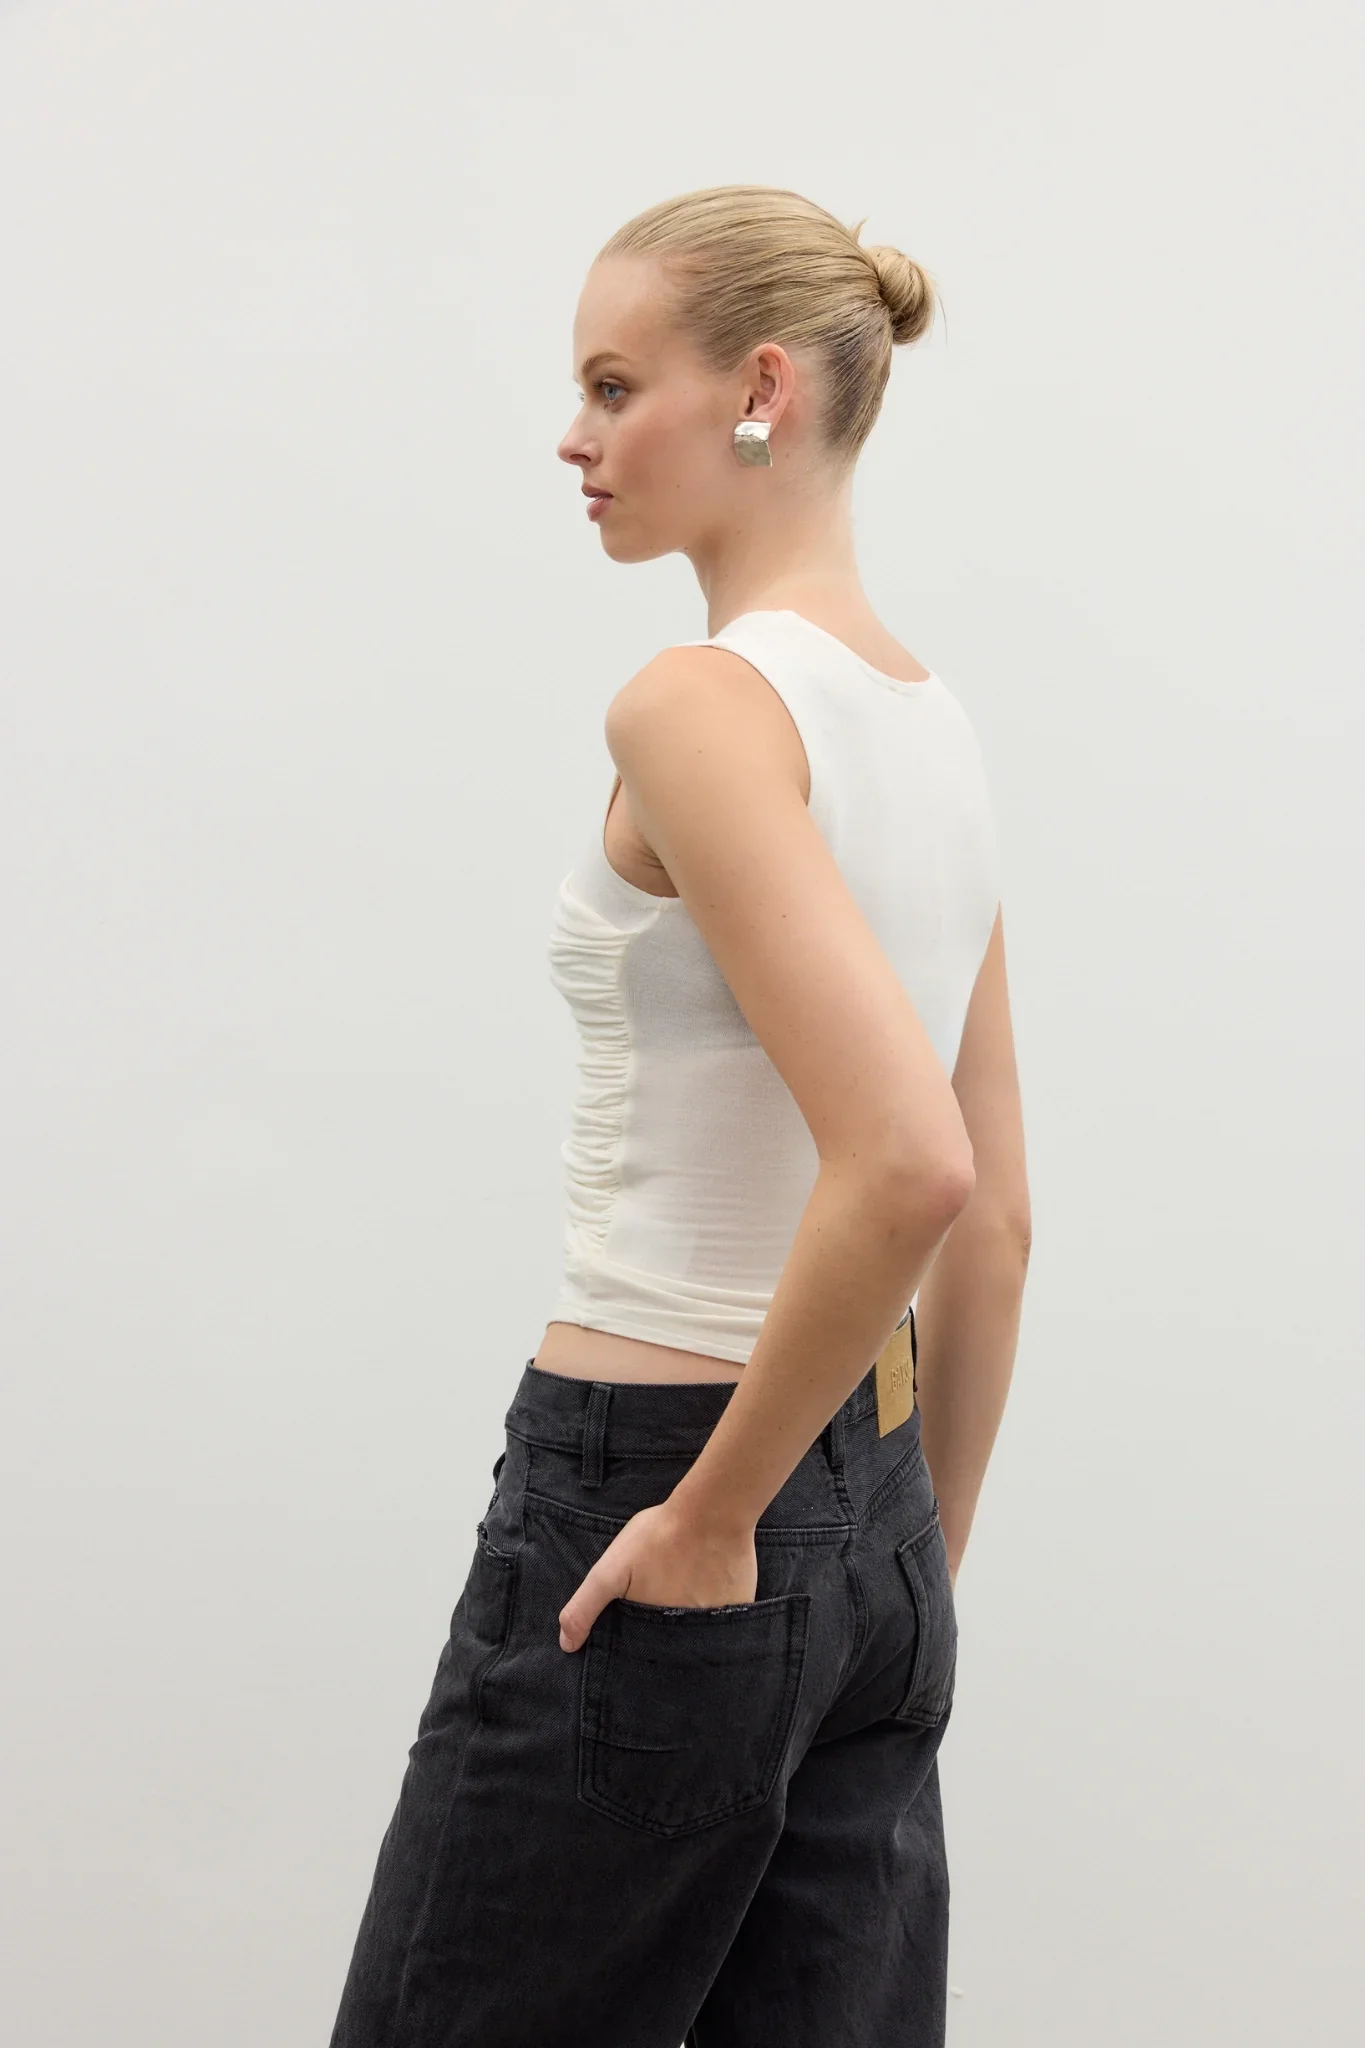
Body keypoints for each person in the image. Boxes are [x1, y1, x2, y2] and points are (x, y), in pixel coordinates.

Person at [329, 182, 1030, 2048]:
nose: (574, 436)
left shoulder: (700, 707)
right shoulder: (935, 728)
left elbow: (915, 1166)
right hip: (880, 1515)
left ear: (763, 391)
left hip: (660, 1477)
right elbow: (1000, 1222)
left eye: (614, 385)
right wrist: (908, 1572)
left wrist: (720, 1515)